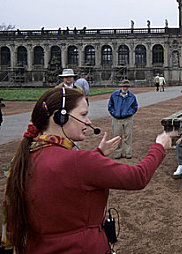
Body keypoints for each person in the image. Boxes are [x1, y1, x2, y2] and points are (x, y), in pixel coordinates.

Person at [0, 87, 172, 253]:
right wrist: (159, 146)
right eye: (83, 115)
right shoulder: (81, 161)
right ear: (59, 118)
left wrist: (98, 154)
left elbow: (66, 176)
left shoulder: (24, 157)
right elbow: (138, 177)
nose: (89, 122)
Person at [108, 79, 138, 159]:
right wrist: (114, 113)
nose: (125, 88)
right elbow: (110, 106)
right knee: (117, 136)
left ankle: (128, 153)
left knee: (128, 136)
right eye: (124, 86)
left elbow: (135, 107)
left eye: (127, 87)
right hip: (116, 118)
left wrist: (129, 113)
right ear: (121, 87)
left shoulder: (132, 96)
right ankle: (118, 153)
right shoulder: (114, 95)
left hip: (127, 118)